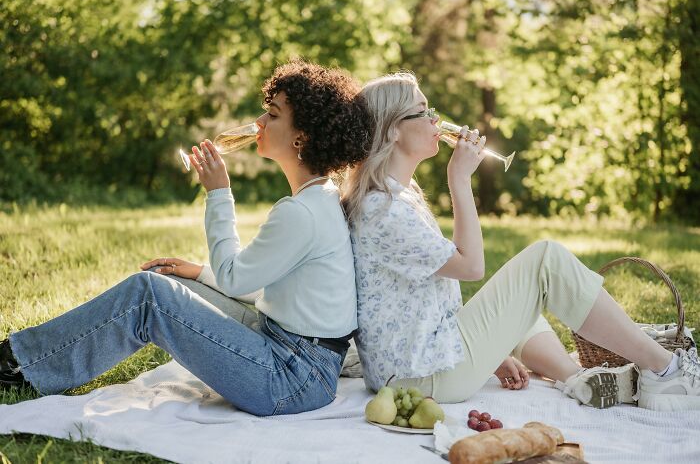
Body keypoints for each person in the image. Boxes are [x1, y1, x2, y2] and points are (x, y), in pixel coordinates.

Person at [0, 60, 372, 416]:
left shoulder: (302, 211)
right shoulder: (317, 198)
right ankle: (26, 358)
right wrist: (198, 273)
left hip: (290, 378)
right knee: (168, 283)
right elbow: (272, 289)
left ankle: (18, 364)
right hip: (296, 359)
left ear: (301, 137)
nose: (259, 122)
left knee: (149, 296)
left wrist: (218, 193)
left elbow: (233, 277)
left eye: (273, 114)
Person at [341, 71, 700, 411]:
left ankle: (578, 379)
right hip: (423, 377)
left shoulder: (394, 197)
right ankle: (666, 371)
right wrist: (460, 180)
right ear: (391, 132)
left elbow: (427, 299)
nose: (436, 120)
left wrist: (491, 352)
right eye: (422, 112)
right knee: (546, 261)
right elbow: (471, 267)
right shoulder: (384, 209)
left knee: (524, 300)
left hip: (418, 365)